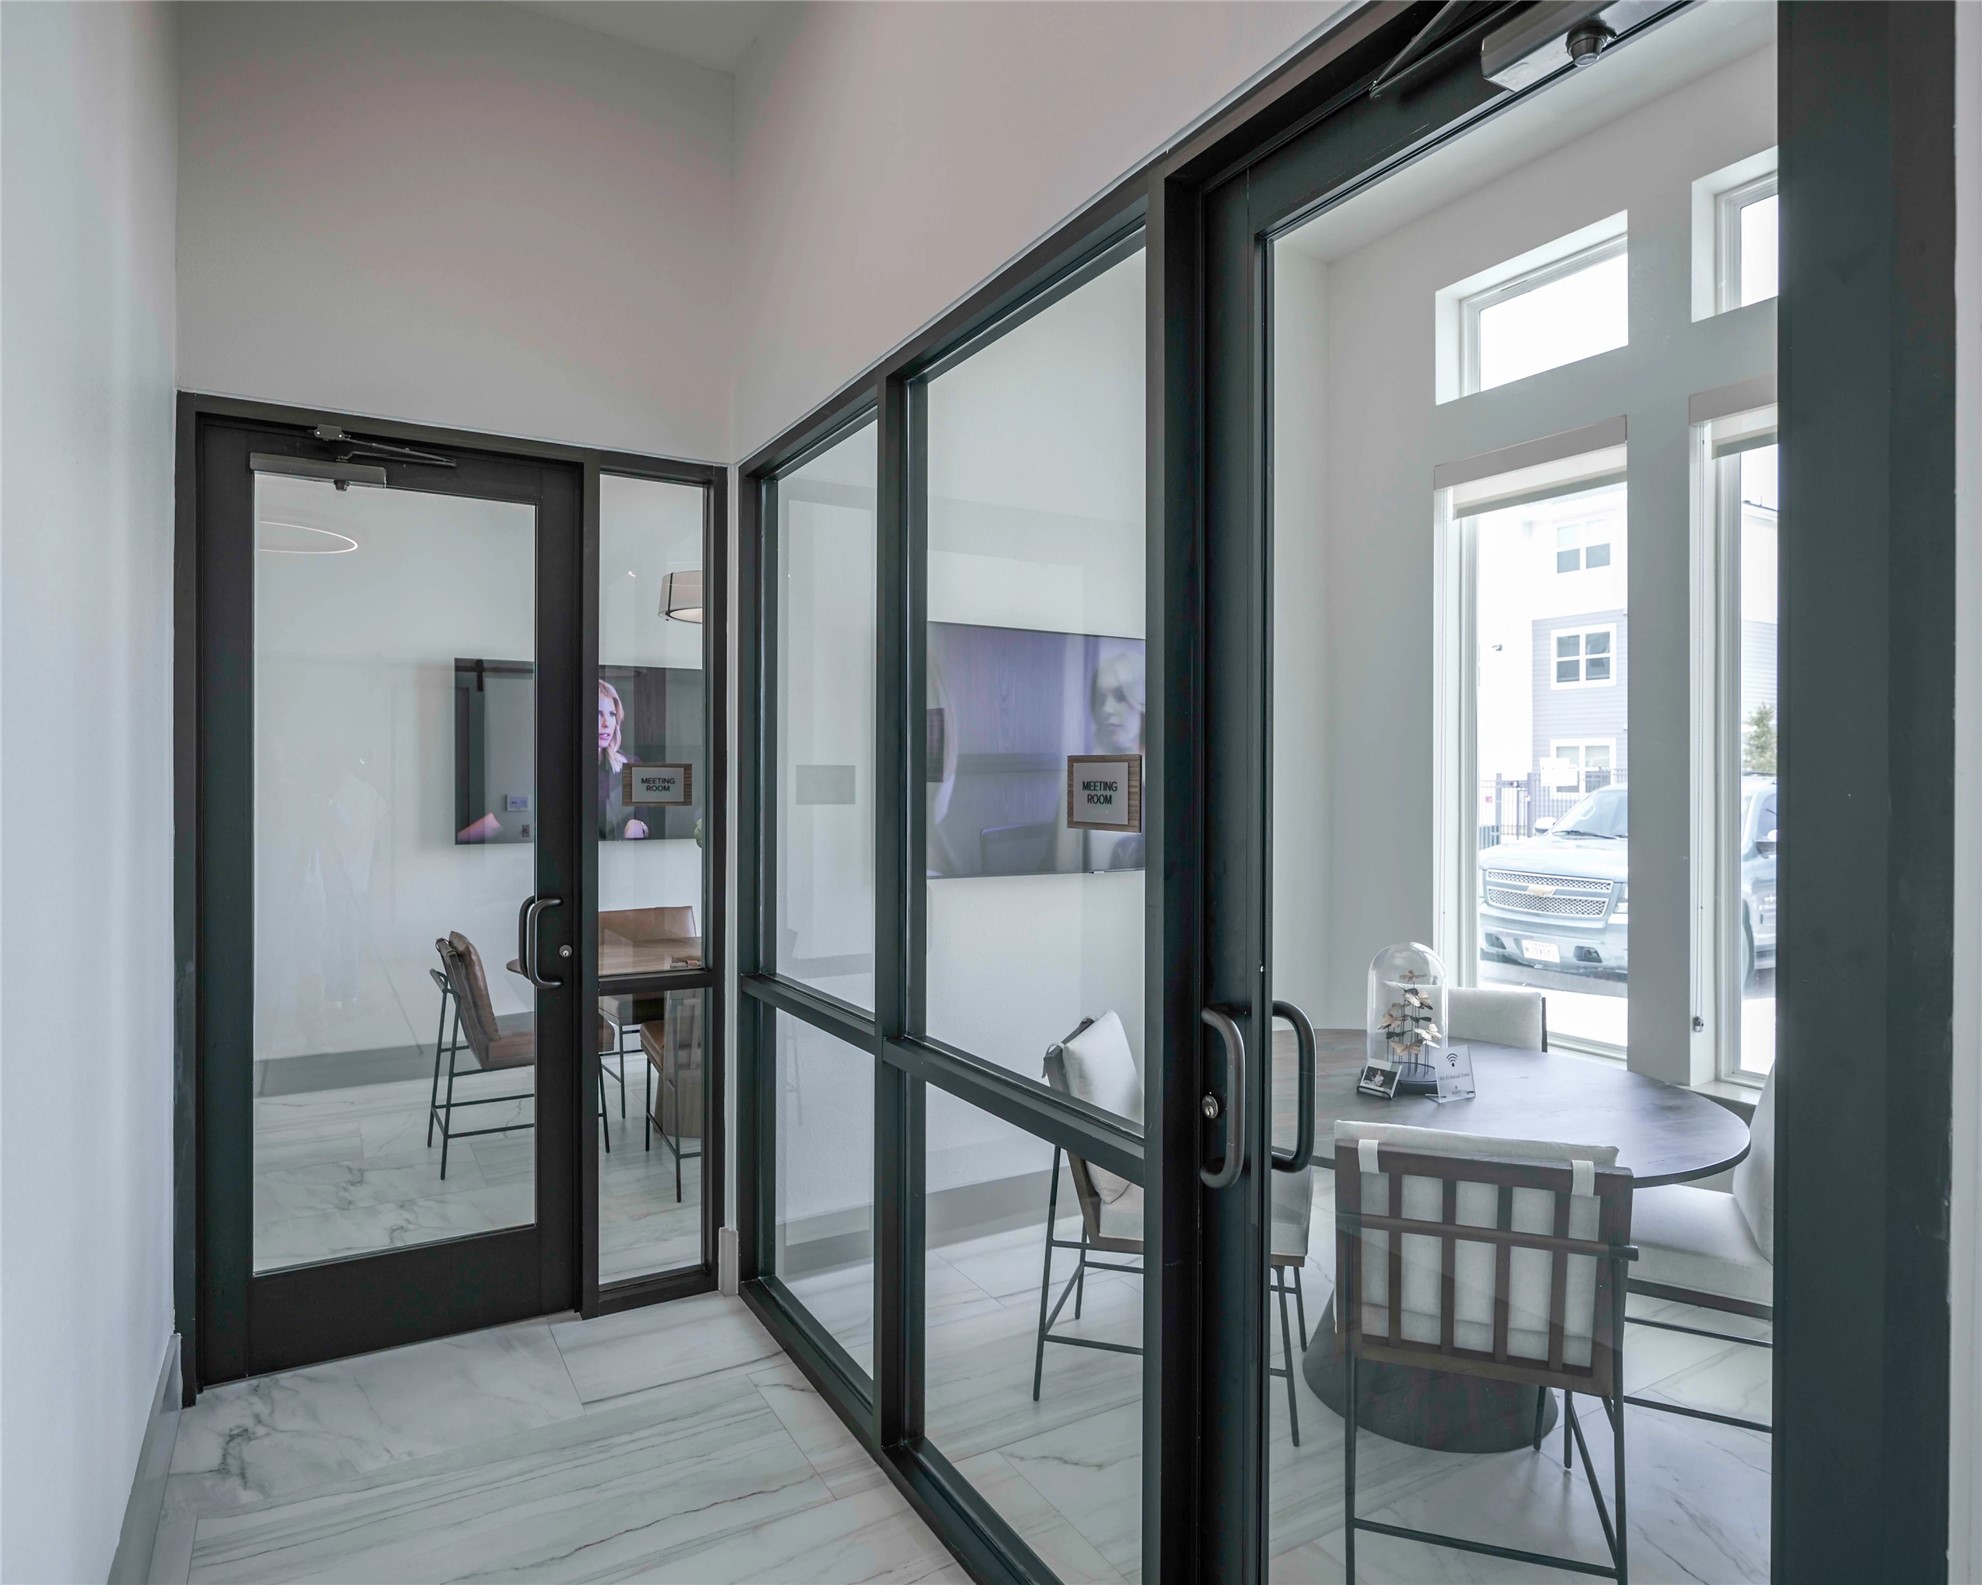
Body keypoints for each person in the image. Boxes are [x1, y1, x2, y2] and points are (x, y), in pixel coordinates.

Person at [598, 678, 648, 839]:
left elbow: (648, 825)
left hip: (623, 858)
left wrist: (638, 827)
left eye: (612, 714)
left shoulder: (631, 765)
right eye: (598, 714)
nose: (606, 723)